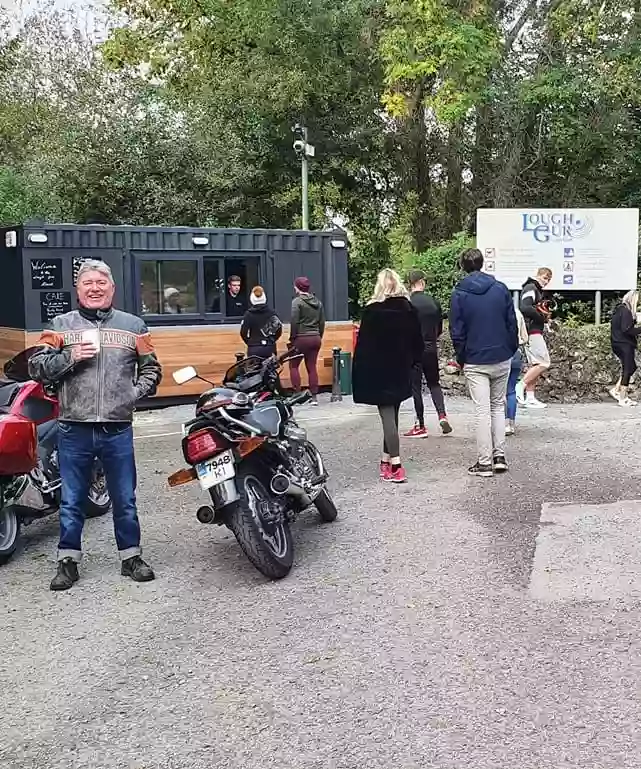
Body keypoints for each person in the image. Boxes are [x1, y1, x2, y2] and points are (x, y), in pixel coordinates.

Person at [28, 259, 162, 591]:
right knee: (72, 499)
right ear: (78, 289)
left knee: (124, 498)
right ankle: (68, 561)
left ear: (112, 288)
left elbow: (152, 371)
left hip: (117, 427)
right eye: (88, 282)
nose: (95, 288)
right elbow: (36, 366)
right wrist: (71, 357)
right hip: (73, 427)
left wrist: (131, 395)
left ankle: (131, 557)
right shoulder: (61, 325)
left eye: (101, 282)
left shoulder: (134, 326)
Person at [449, 248, 518, 477]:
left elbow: (456, 330)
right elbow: (511, 323)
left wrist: (462, 356)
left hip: (475, 359)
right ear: (482, 263)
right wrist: (510, 348)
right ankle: (500, 457)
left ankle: (484, 462)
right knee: (498, 406)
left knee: (482, 411)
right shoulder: (500, 289)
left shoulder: (459, 293)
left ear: (463, 266)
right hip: (501, 355)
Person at [352, 268, 423, 483]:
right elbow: (417, 342)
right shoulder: (409, 309)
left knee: (387, 418)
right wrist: (412, 362)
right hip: (401, 368)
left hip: (378, 371)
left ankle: (397, 465)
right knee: (392, 417)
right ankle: (385, 461)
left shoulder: (372, 311)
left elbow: (363, 347)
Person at [403, 269, 452, 438]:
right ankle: (442, 415)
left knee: (415, 387)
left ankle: (420, 425)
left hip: (413, 350)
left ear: (409, 284)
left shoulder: (407, 303)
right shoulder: (433, 302)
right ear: (422, 282)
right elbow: (439, 327)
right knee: (434, 383)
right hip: (431, 347)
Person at [517, 267, 553, 408]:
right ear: (537, 275)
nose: (546, 281)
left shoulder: (535, 289)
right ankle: (520, 386)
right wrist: (541, 316)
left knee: (536, 364)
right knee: (544, 363)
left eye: (548, 279)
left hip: (533, 329)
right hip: (532, 330)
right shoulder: (531, 287)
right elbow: (525, 307)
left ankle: (530, 397)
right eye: (544, 278)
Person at [289, 276, 325, 405]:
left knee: (293, 365)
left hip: (301, 337)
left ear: (298, 288)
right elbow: (322, 322)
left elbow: (294, 321)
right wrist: (319, 336)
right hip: (315, 337)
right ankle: (314, 397)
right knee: (311, 367)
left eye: (295, 286)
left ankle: (297, 394)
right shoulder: (318, 302)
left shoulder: (297, 302)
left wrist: (293, 338)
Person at [609, 289, 641, 406]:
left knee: (631, 367)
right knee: (628, 369)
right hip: (624, 344)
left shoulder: (619, 310)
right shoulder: (626, 311)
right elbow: (627, 330)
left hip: (617, 343)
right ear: (632, 300)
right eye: (637, 301)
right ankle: (623, 398)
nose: (637, 304)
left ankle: (616, 390)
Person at [240, 286, 283, 359]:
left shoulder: (248, 314)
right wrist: (272, 340)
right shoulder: (271, 313)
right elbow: (279, 330)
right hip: (269, 348)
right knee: (270, 370)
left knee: (254, 370)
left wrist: (251, 343)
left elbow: (243, 333)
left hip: (254, 348)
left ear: (252, 298)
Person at [505, 307, 529, 436]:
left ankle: (501, 422)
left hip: (501, 353)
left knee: (498, 391)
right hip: (516, 352)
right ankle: (511, 424)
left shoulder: (496, 310)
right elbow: (525, 337)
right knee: (511, 390)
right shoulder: (517, 312)